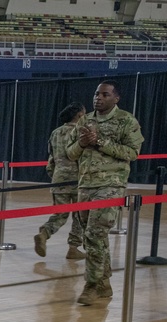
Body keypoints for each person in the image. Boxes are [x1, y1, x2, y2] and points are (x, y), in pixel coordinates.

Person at [66, 80, 143, 306]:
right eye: (96, 93)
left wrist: (99, 142)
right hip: (85, 186)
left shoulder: (126, 121)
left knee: (94, 234)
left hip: (111, 185)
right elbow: (70, 154)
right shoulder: (85, 120)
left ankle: (91, 285)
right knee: (94, 240)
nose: (98, 98)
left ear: (115, 98)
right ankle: (104, 283)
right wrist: (81, 143)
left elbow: (132, 152)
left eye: (105, 94)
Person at [35, 102, 87, 261]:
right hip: (79, 180)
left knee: (60, 214)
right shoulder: (82, 132)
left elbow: (51, 157)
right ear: (79, 115)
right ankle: (73, 248)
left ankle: (44, 234)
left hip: (59, 179)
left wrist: (54, 175)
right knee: (80, 215)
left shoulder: (55, 133)